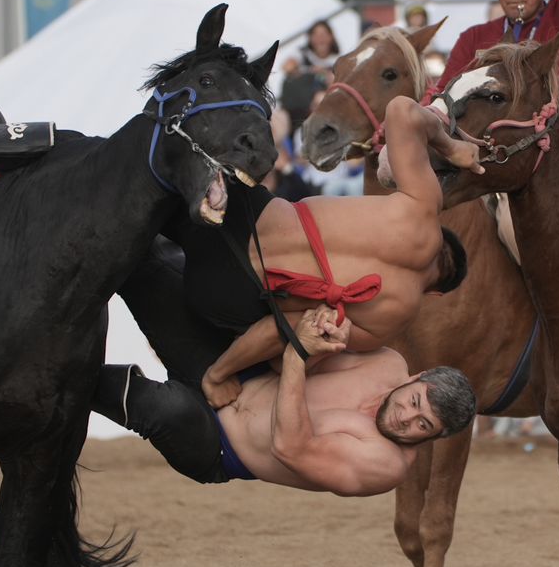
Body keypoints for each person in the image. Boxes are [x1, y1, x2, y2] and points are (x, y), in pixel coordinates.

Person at [193, 97, 482, 407]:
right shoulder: (393, 319)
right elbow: (292, 348)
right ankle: (216, 376)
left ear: (441, 237)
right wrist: (222, 373)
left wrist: (451, 147)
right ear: (435, 294)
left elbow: (401, 109)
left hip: (244, 212)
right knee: (296, 324)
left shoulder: (423, 209)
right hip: (228, 289)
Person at [97, 306, 475, 494]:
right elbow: (285, 362)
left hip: (218, 445)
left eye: (422, 426)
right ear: (415, 378)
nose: (406, 419)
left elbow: (289, 448)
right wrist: (320, 332)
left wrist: (299, 354)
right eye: (414, 402)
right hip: (233, 376)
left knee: (147, 402)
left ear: (431, 439)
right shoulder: (387, 363)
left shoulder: (386, 466)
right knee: (157, 267)